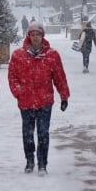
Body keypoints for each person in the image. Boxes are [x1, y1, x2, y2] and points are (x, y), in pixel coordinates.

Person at [8, 21, 70, 176]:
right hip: (26, 101)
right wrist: (19, 92)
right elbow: (12, 77)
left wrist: (64, 96)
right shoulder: (18, 55)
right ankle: (30, 161)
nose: (35, 38)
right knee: (27, 134)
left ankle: (42, 163)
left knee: (43, 134)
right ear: (28, 36)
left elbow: (59, 77)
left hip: (44, 101)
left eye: (38, 34)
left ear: (43, 36)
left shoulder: (52, 55)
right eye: (33, 34)